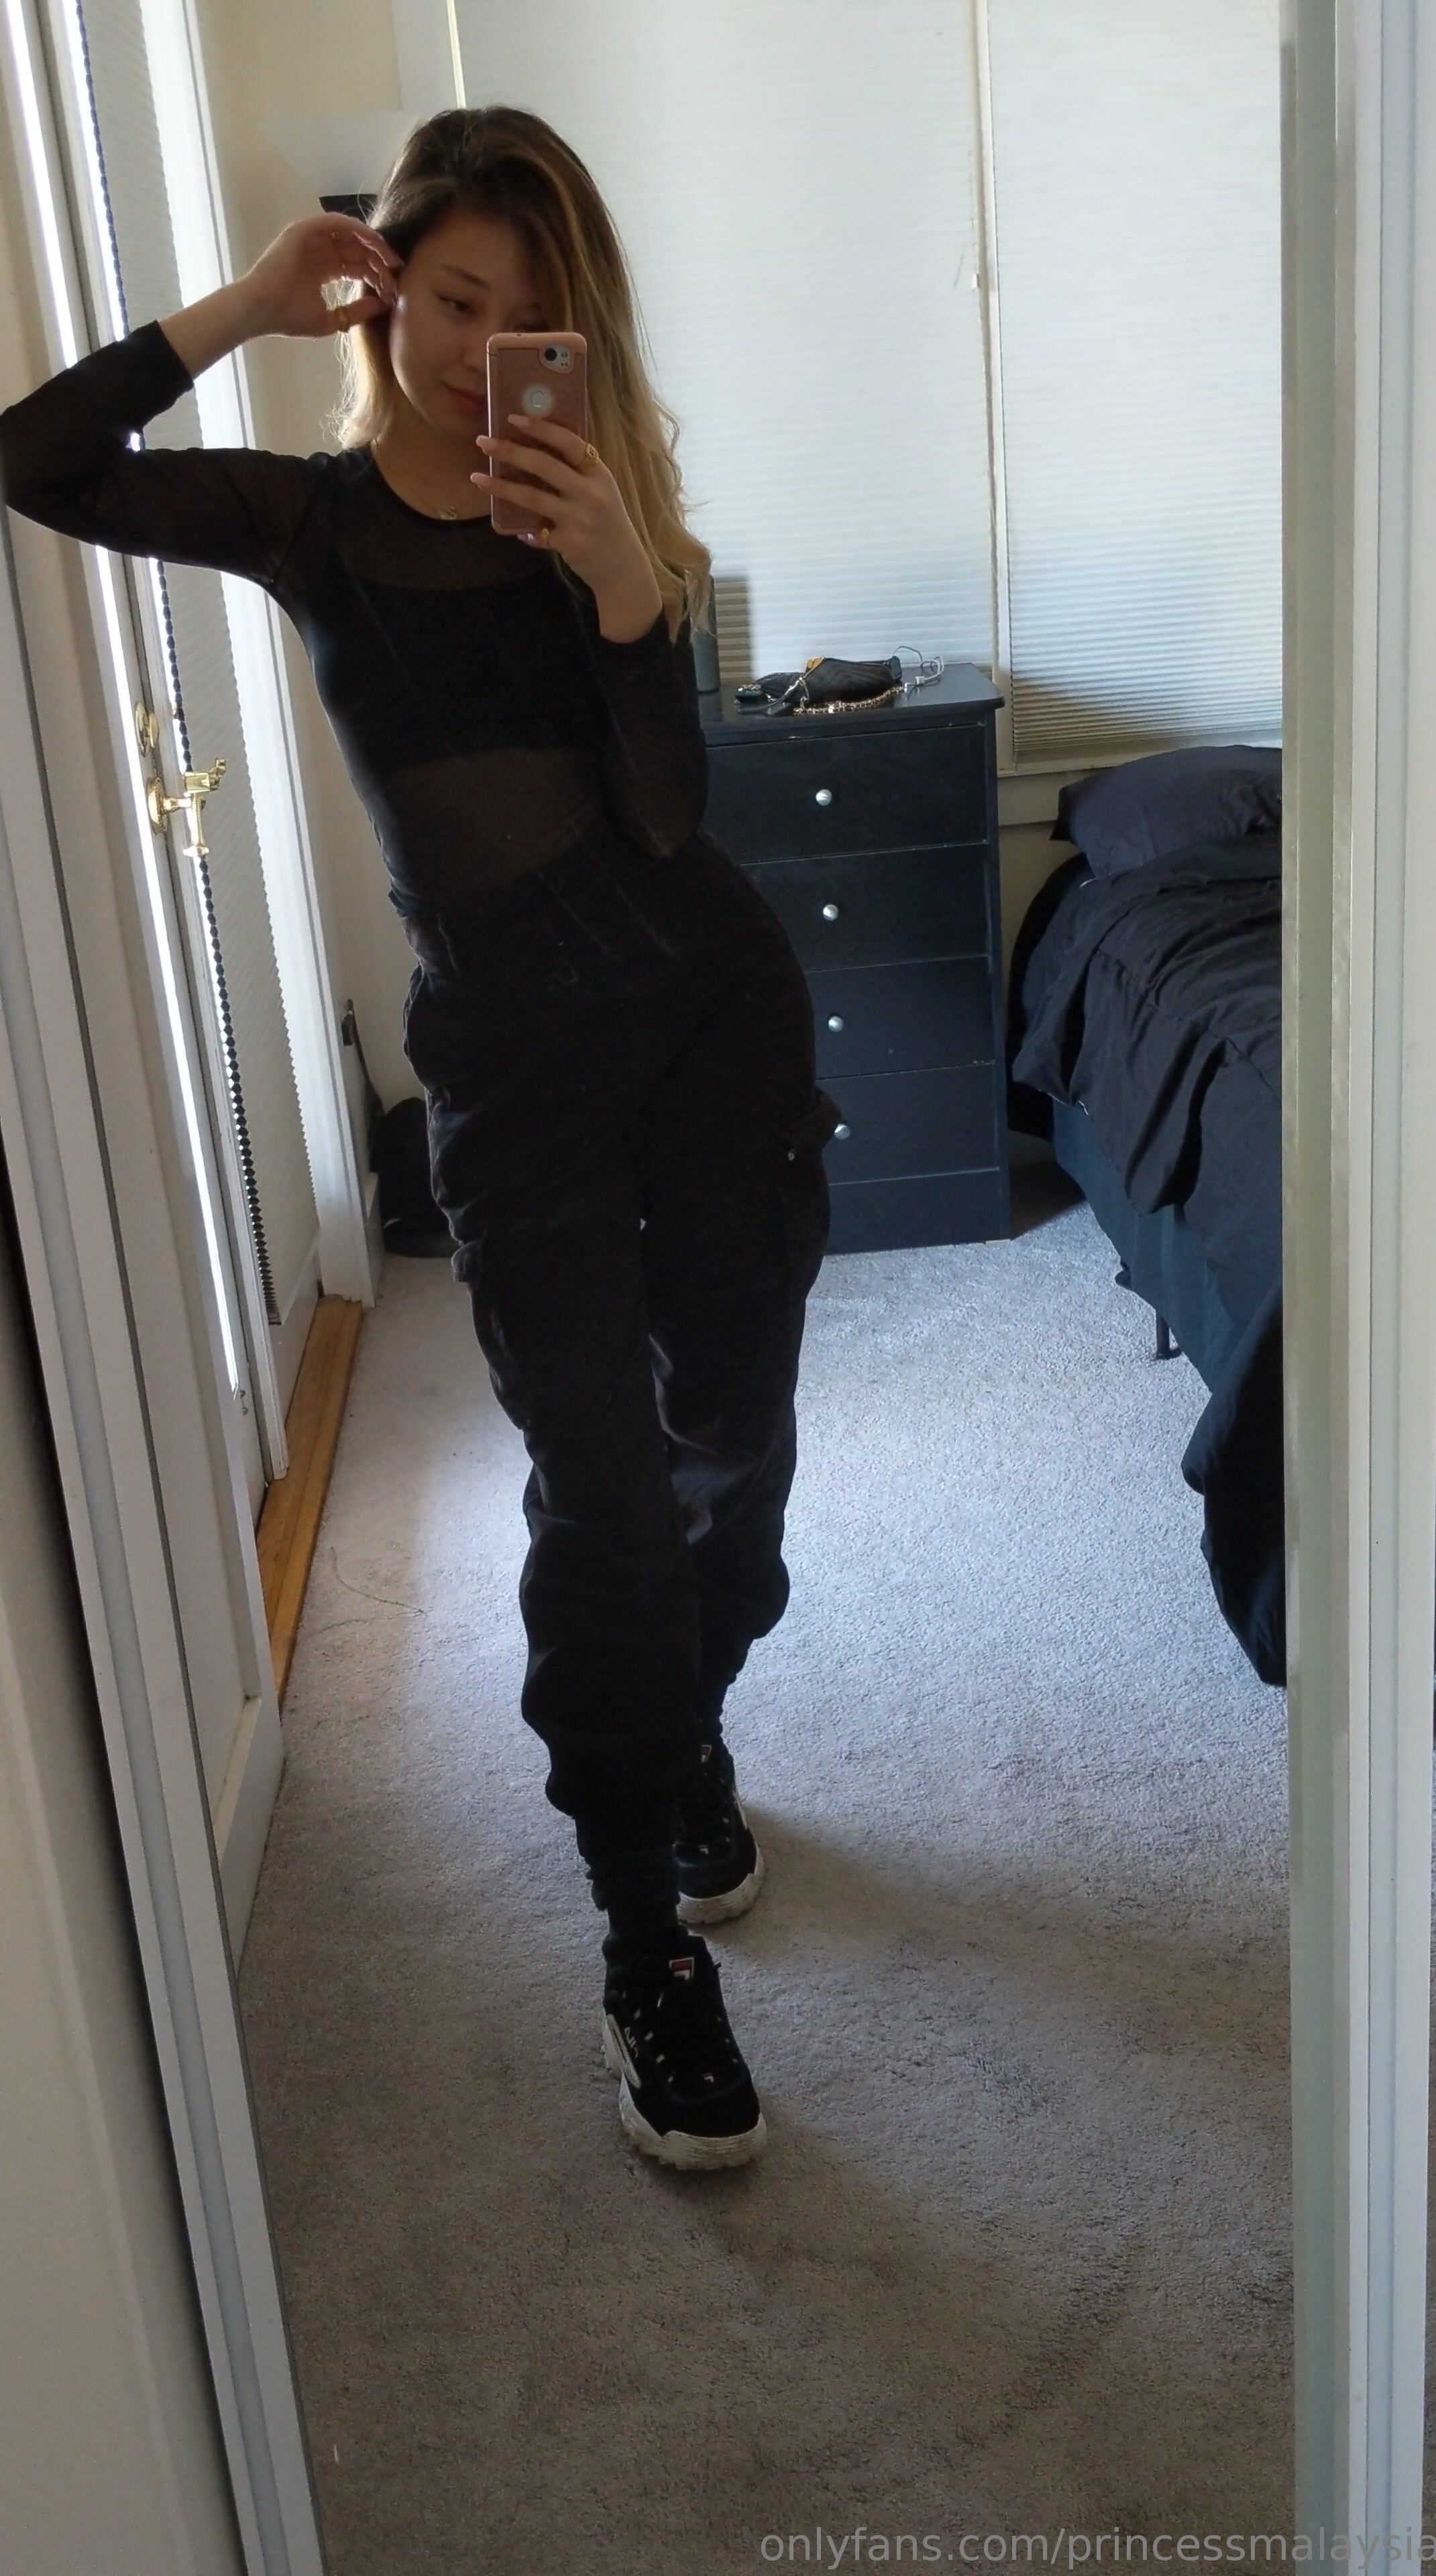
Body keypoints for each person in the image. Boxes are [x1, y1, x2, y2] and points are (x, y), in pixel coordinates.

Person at [0, 105, 837, 2172]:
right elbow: (37, 460)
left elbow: (668, 820)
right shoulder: (304, 524)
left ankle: (688, 1726)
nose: (480, 355)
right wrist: (242, 306)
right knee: (604, 1495)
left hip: (710, 1031)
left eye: (528, 321)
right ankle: (644, 1937)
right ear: (383, 291)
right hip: (516, 1083)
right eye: (453, 300)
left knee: (734, 1460)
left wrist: (630, 595)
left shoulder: (598, 521)